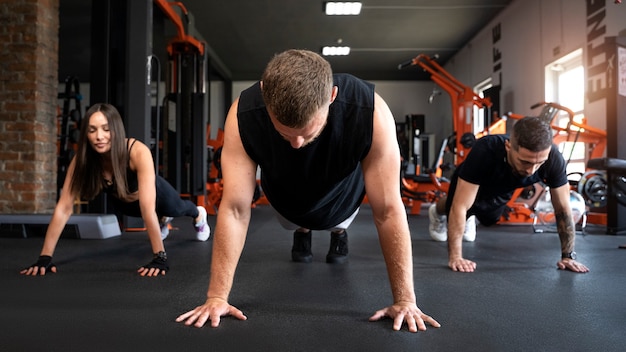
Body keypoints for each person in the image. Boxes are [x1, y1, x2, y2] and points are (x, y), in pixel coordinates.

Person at [175, 49, 440, 332]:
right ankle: (302, 231)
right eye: (286, 133)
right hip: (286, 201)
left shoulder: (370, 112)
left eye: (308, 133)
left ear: (332, 97)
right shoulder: (243, 114)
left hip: (341, 201)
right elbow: (235, 209)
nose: (298, 144)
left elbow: (388, 210)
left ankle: (339, 233)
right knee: (296, 222)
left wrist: (405, 300)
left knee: (339, 221)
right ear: (265, 97)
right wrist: (216, 296)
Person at [20, 103, 211, 277]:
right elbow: (64, 208)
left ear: (116, 130)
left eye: (106, 129)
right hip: (124, 202)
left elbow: (146, 207)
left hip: (154, 194)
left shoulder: (137, 151)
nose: (99, 137)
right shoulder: (83, 160)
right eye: (92, 130)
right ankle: (162, 220)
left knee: (176, 209)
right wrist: (45, 257)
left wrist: (159, 256)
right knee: (143, 211)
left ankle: (198, 215)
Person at [428, 116, 590, 273]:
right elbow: (460, 205)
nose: (531, 170)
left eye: (539, 163)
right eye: (525, 162)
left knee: (490, 218)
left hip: (504, 186)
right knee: (457, 205)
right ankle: (436, 211)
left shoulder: (553, 158)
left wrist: (568, 257)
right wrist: (456, 257)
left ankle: (470, 216)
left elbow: (563, 208)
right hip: (475, 178)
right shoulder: (485, 149)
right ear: (508, 147)